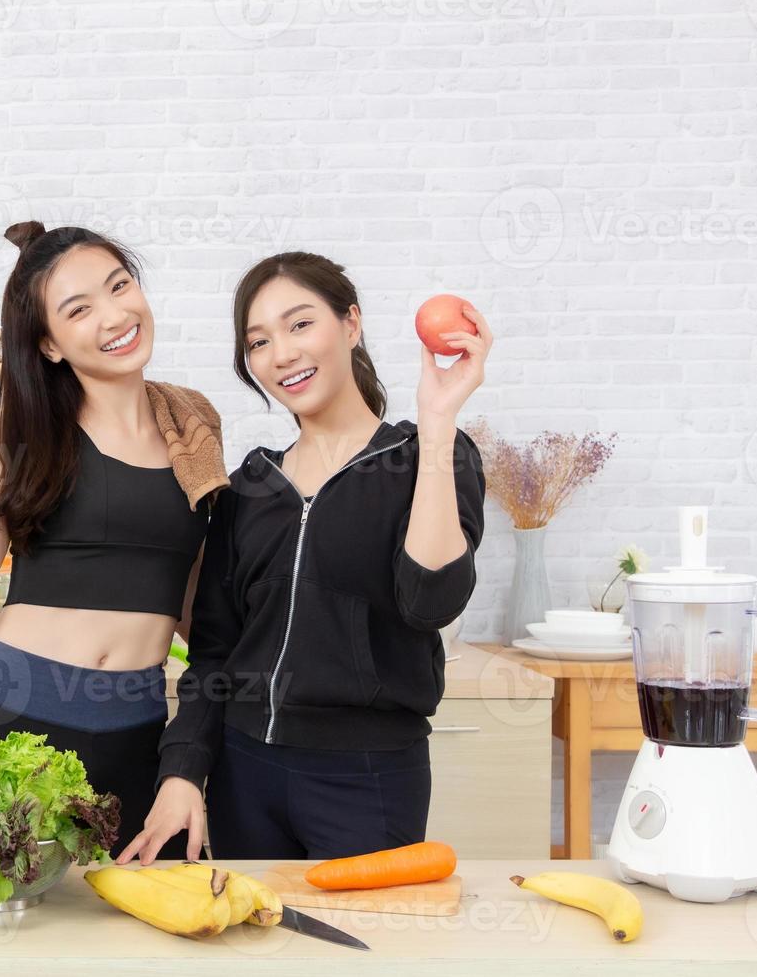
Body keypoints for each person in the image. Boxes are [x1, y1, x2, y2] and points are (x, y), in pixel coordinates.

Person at [119, 251, 491, 863]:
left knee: (361, 955)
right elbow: (214, 650)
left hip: (367, 779)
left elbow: (432, 601)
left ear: (350, 325)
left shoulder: (430, 457)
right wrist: (183, 768)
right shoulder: (250, 487)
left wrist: (437, 421)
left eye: (299, 325)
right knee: (251, 951)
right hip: (245, 775)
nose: (282, 354)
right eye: (259, 341)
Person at [0, 221, 228, 859]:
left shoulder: (193, 420)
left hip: (138, 721)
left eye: (120, 286)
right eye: (80, 309)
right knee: (9, 932)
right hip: (16, 713)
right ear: (51, 344)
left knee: (137, 936)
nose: (115, 315)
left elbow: (202, 609)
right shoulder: (28, 429)